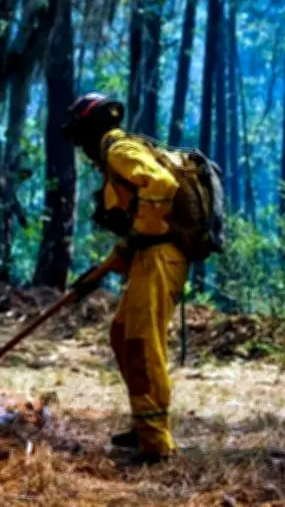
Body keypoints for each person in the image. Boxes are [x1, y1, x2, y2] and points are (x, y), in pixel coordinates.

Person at [61, 92, 190, 466]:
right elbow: (137, 225)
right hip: (149, 254)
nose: (80, 144)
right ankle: (144, 424)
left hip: (161, 255)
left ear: (90, 127)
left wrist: (142, 233)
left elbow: (162, 185)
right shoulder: (115, 154)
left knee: (142, 342)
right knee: (122, 335)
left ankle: (156, 445)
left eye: (80, 133)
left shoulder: (118, 149)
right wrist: (108, 264)